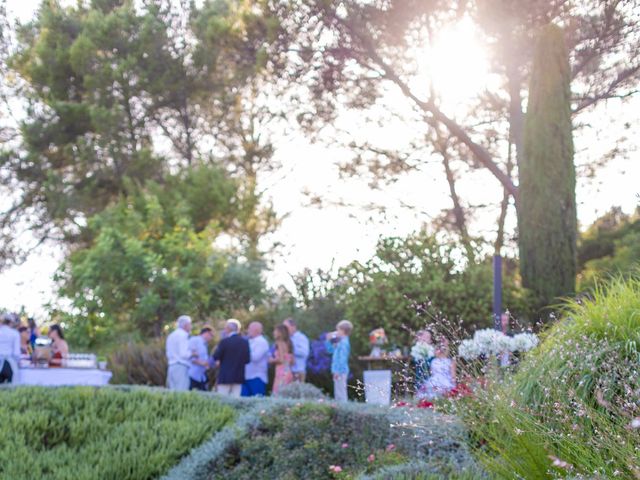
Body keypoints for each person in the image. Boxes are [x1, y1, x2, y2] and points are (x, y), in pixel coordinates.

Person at [212, 319, 250, 396]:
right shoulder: (244, 343)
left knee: (222, 399)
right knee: (235, 399)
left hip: (225, 377)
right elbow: (247, 360)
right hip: (238, 377)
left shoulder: (224, 341)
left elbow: (216, 356)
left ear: (229, 328)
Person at [325, 320, 353, 402]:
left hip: (341, 371)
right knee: (338, 392)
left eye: (338, 330)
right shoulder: (340, 341)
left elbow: (342, 359)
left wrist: (338, 371)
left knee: (341, 392)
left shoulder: (344, 343)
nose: (336, 332)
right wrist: (328, 340)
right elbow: (330, 350)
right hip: (337, 370)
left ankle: (343, 409)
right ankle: (339, 408)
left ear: (343, 331)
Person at [242, 321, 270, 397]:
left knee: (257, 400)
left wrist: (242, 352)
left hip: (257, 377)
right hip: (246, 376)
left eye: (250, 329)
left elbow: (255, 357)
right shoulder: (248, 341)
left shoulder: (262, 342)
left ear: (257, 330)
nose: (248, 331)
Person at [166, 315, 193, 391]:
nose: (191, 326)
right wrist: (193, 353)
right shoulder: (183, 335)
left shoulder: (171, 335)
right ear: (185, 325)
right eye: (190, 324)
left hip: (172, 366)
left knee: (173, 391)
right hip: (181, 366)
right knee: (181, 392)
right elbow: (184, 354)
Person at [269, 324, 294, 395]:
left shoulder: (279, 343)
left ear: (280, 333)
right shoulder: (289, 344)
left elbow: (281, 360)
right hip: (288, 372)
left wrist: (271, 360)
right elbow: (292, 361)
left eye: (275, 331)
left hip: (281, 373)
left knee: (278, 394)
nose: (274, 332)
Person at [283, 318, 310, 382]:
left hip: (297, 372)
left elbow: (304, 353)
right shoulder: (285, 339)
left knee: (296, 392)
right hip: (287, 371)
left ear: (293, 327)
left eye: (286, 327)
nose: (284, 330)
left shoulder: (301, 338)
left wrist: (290, 349)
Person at [188, 325, 214, 391]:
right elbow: (192, 358)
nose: (212, 338)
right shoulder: (195, 340)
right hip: (192, 375)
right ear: (206, 333)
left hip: (200, 376)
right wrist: (206, 364)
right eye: (211, 335)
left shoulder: (205, 344)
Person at [0, 314, 21, 383]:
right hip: (9, 364)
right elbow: (16, 353)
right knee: (10, 389)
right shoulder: (14, 333)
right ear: (11, 323)